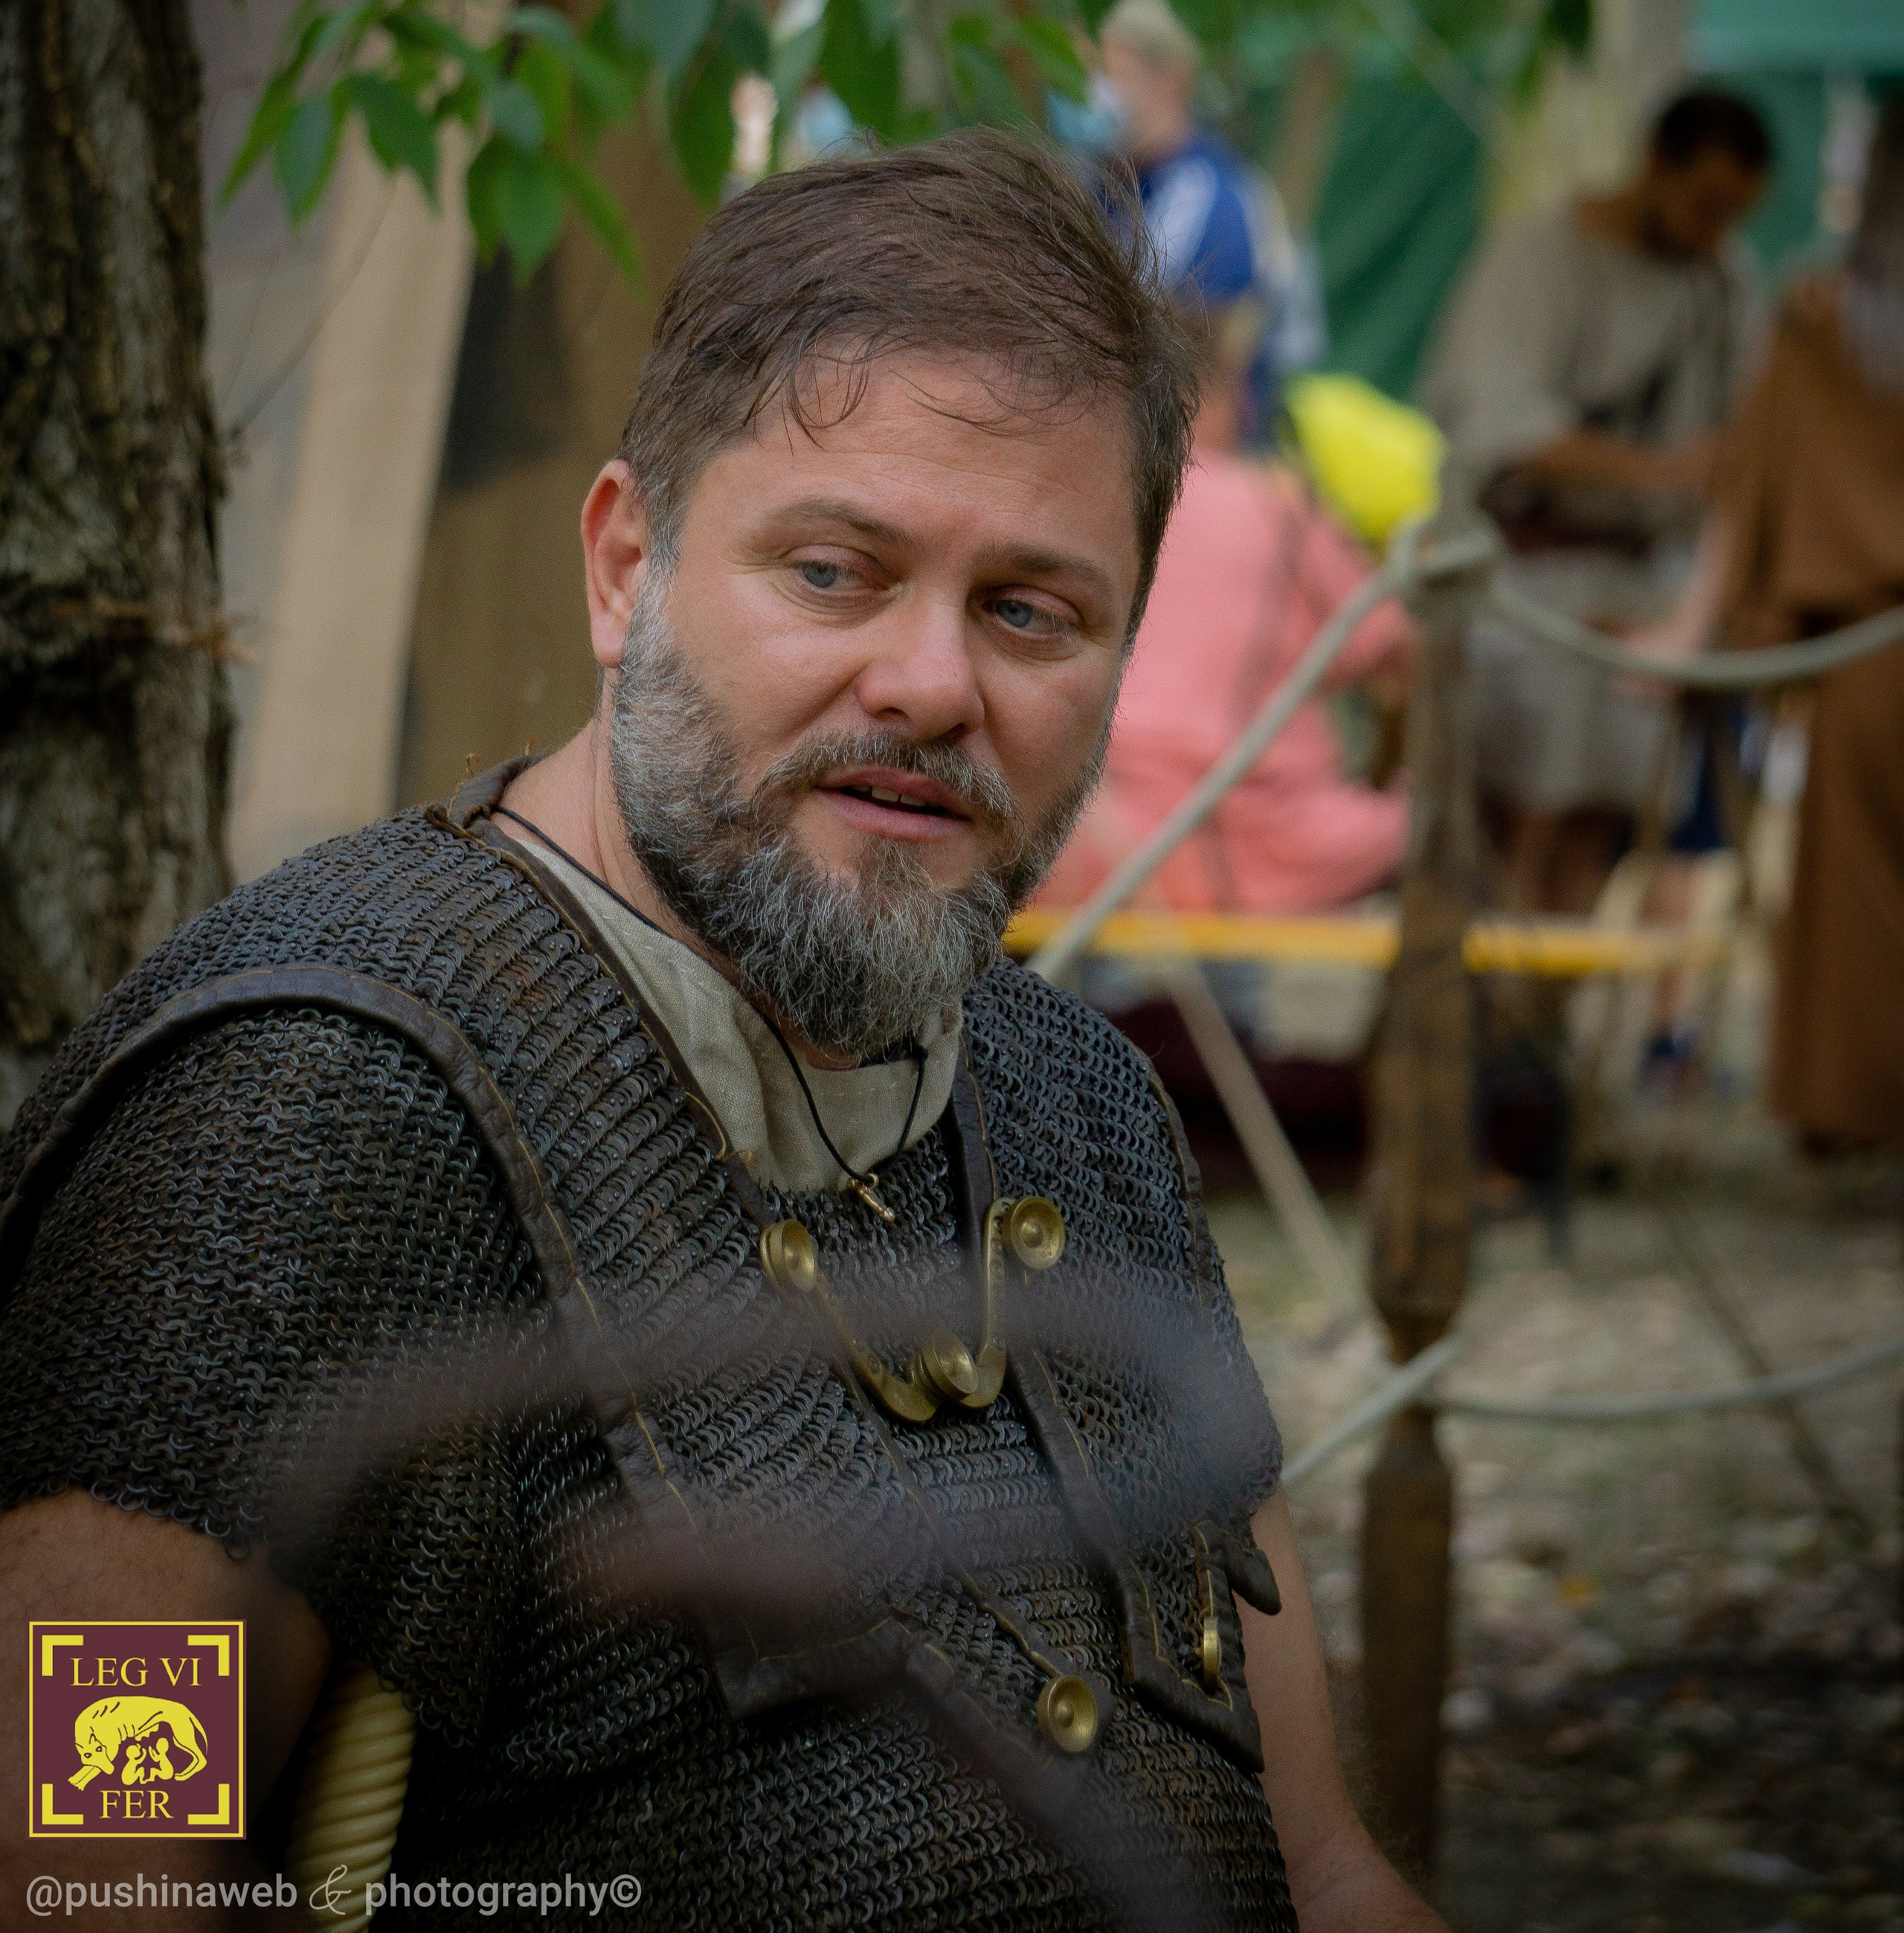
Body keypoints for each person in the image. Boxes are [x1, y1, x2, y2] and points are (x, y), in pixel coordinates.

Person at [0, 134, 1444, 1933]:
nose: (932, 681)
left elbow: (1316, 1865)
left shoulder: (1081, 1105)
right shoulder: (305, 1115)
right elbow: (75, 1883)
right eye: (835, 571)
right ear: (624, 567)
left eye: (1028, 608)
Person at [1421, 89, 1771, 911]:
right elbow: (1498, 425)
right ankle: (1490, 1025)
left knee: (1595, 833)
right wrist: (1663, 470)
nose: (1715, 229)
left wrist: (1689, 618)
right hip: (1525, 583)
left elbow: (1746, 463)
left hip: (1640, 591)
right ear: (1655, 165)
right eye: (1705, 204)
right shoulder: (1540, 259)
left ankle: (1543, 1029)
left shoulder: (1724, 281)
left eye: (1735, 213)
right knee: (1515, 829)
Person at [1634, 94, 1904, 1152]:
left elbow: (1751, 497)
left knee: (1857, 907)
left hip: (1863, 664)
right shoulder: (1822, 319)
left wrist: (1705, 625)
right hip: (1864, 651)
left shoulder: (1821, 318)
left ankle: (1858, 1110)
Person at [1038, 327, 1412, 920]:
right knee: (1420, 815)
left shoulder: (1081, 501)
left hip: (1093, 840)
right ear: (1230, 394)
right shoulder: (1279, 504)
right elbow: (1401, 661)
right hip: (1265, 849)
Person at [1093, 0, 1328, 440]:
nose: (1095, 93)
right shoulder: (1105, 180)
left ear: (1169, 80)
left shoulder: (1215, 198)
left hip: (1202, 452)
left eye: (1109, 73)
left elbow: (1206, 363)